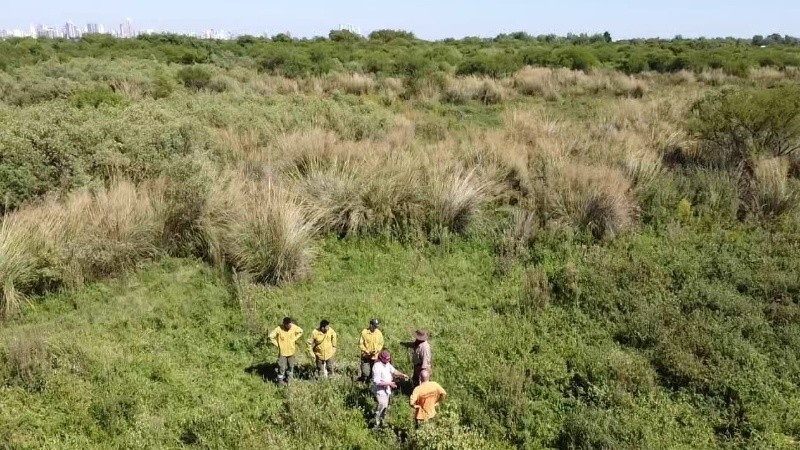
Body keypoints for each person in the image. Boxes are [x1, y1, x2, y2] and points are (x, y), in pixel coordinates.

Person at [371, 350, 409, 428]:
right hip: (380, 391)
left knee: (386, 407)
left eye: (389, 359)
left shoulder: (387, 364)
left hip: (387, 390)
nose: (388, 360)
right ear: (382, 358)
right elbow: (377, 382)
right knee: (381, 406)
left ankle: (383, 422)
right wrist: (390, 384)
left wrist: (402, 375)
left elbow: (394, 371)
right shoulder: (377, 366)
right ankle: (376, 424)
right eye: (387, 359)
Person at [268, 317, 304, 386]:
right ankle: (280, 383)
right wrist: (277, 344)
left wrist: (295, 339)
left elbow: (301, 331)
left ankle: (289, 381)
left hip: (291, 352)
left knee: (291, 367)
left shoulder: (293, 327)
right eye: (287, 325)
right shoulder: (279, 329)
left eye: (290, 324)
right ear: (284, 324)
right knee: (281, 368)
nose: (289, 326)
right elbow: (271, 336)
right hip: (283, 353)